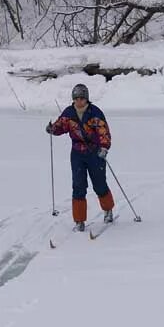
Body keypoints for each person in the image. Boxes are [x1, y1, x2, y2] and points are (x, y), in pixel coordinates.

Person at [46, 84, 114, 231]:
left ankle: (108, 210)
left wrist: (104, 147)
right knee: (78, 186)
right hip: (77, 153)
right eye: (76, 98)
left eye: (82, 98)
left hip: (95, 153)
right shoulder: (69, 113)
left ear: (87, 99)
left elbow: (104, 131)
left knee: (99, 184)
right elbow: (60, 126)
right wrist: (52, 129)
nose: (79, 101)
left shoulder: (95, 112)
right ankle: (79, 221)